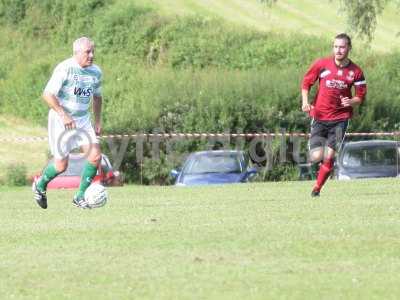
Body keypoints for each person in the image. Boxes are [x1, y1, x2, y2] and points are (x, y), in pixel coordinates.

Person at [32, 37, 103, 209]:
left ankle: (79, 196)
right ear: (76, 53)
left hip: (83, 119)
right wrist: (63, 114)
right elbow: (47, 94)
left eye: (93, 51)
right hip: (60, 120)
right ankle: (40, 185)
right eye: (88, 52)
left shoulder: (96, 72)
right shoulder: (65, 68)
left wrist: (98, 120)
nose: (92, 55)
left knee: (95, 157)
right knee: (61, 166)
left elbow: (97, 97)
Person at [301, 33, 367, 197]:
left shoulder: (356, 72)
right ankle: (320, 167)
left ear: (349, 48)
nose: (338, 50)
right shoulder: (322, 64)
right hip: (320, 117)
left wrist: (351, 102)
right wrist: (305, 102)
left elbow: (360, 96)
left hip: (340, 119)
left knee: (329, 157)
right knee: (316, 156)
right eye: (336, 46)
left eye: (342, 47)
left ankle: (316, 189)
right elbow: (306, 83)